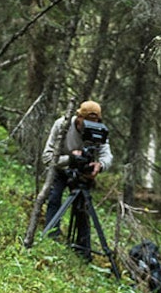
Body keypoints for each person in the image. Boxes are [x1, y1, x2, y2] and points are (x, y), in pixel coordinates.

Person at [40, 100, 114, 259]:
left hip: (82, 173)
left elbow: (107, 155)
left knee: (83, 208)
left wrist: (100, 165)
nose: (90, 126)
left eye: (95, 122)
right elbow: (47, 157)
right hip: (61, 170)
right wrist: (70, 159)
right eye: (87, 122)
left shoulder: (100, 131)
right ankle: (50, 239)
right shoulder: (62, 125)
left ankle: (83, 250)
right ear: (79, 117)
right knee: (54, 199)